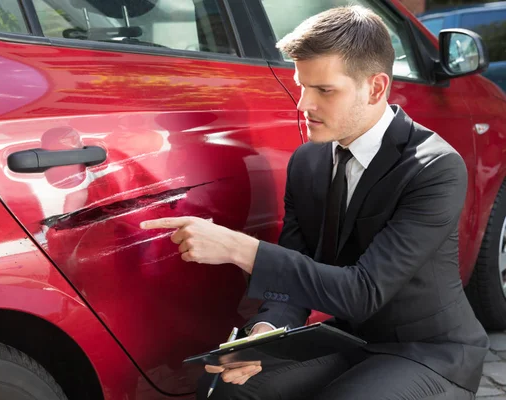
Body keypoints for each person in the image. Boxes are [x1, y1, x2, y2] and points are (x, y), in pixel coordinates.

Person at [140, 5, 489, 400]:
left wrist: (238, 248)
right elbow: (292, 278)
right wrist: (264, 337)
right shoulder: (308, 161)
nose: (304, 104)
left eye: (324, 90)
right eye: (301, 85)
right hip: (345, 340)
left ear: (375, 88)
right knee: (227, 387)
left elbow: (363, 292)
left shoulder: (434, 167)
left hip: (428, 351)